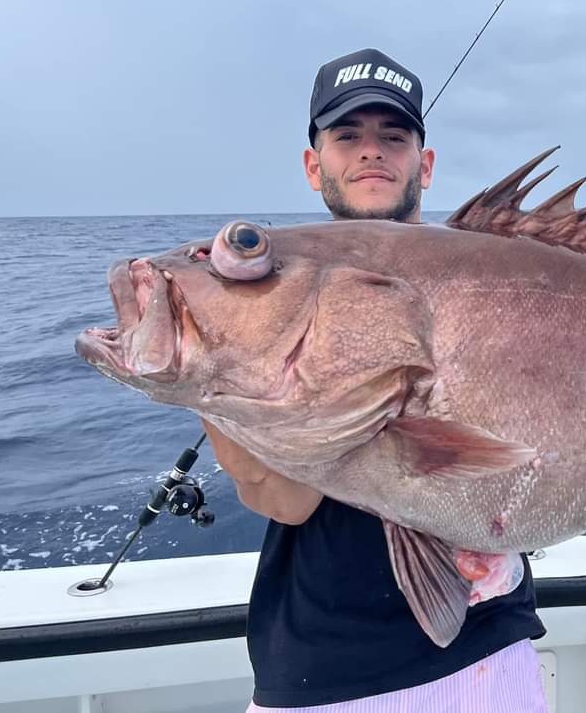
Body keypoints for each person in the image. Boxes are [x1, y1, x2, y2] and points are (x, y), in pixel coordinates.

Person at [203, 48, 547, 712]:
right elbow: (286, 503)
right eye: (346, 136)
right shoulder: (282, 293)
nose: (372, 153)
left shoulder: (511, 275)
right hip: (324, 665)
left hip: (492, 645)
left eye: (394, 136)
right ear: (314, 165)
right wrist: (216, 365)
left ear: (426, 163)